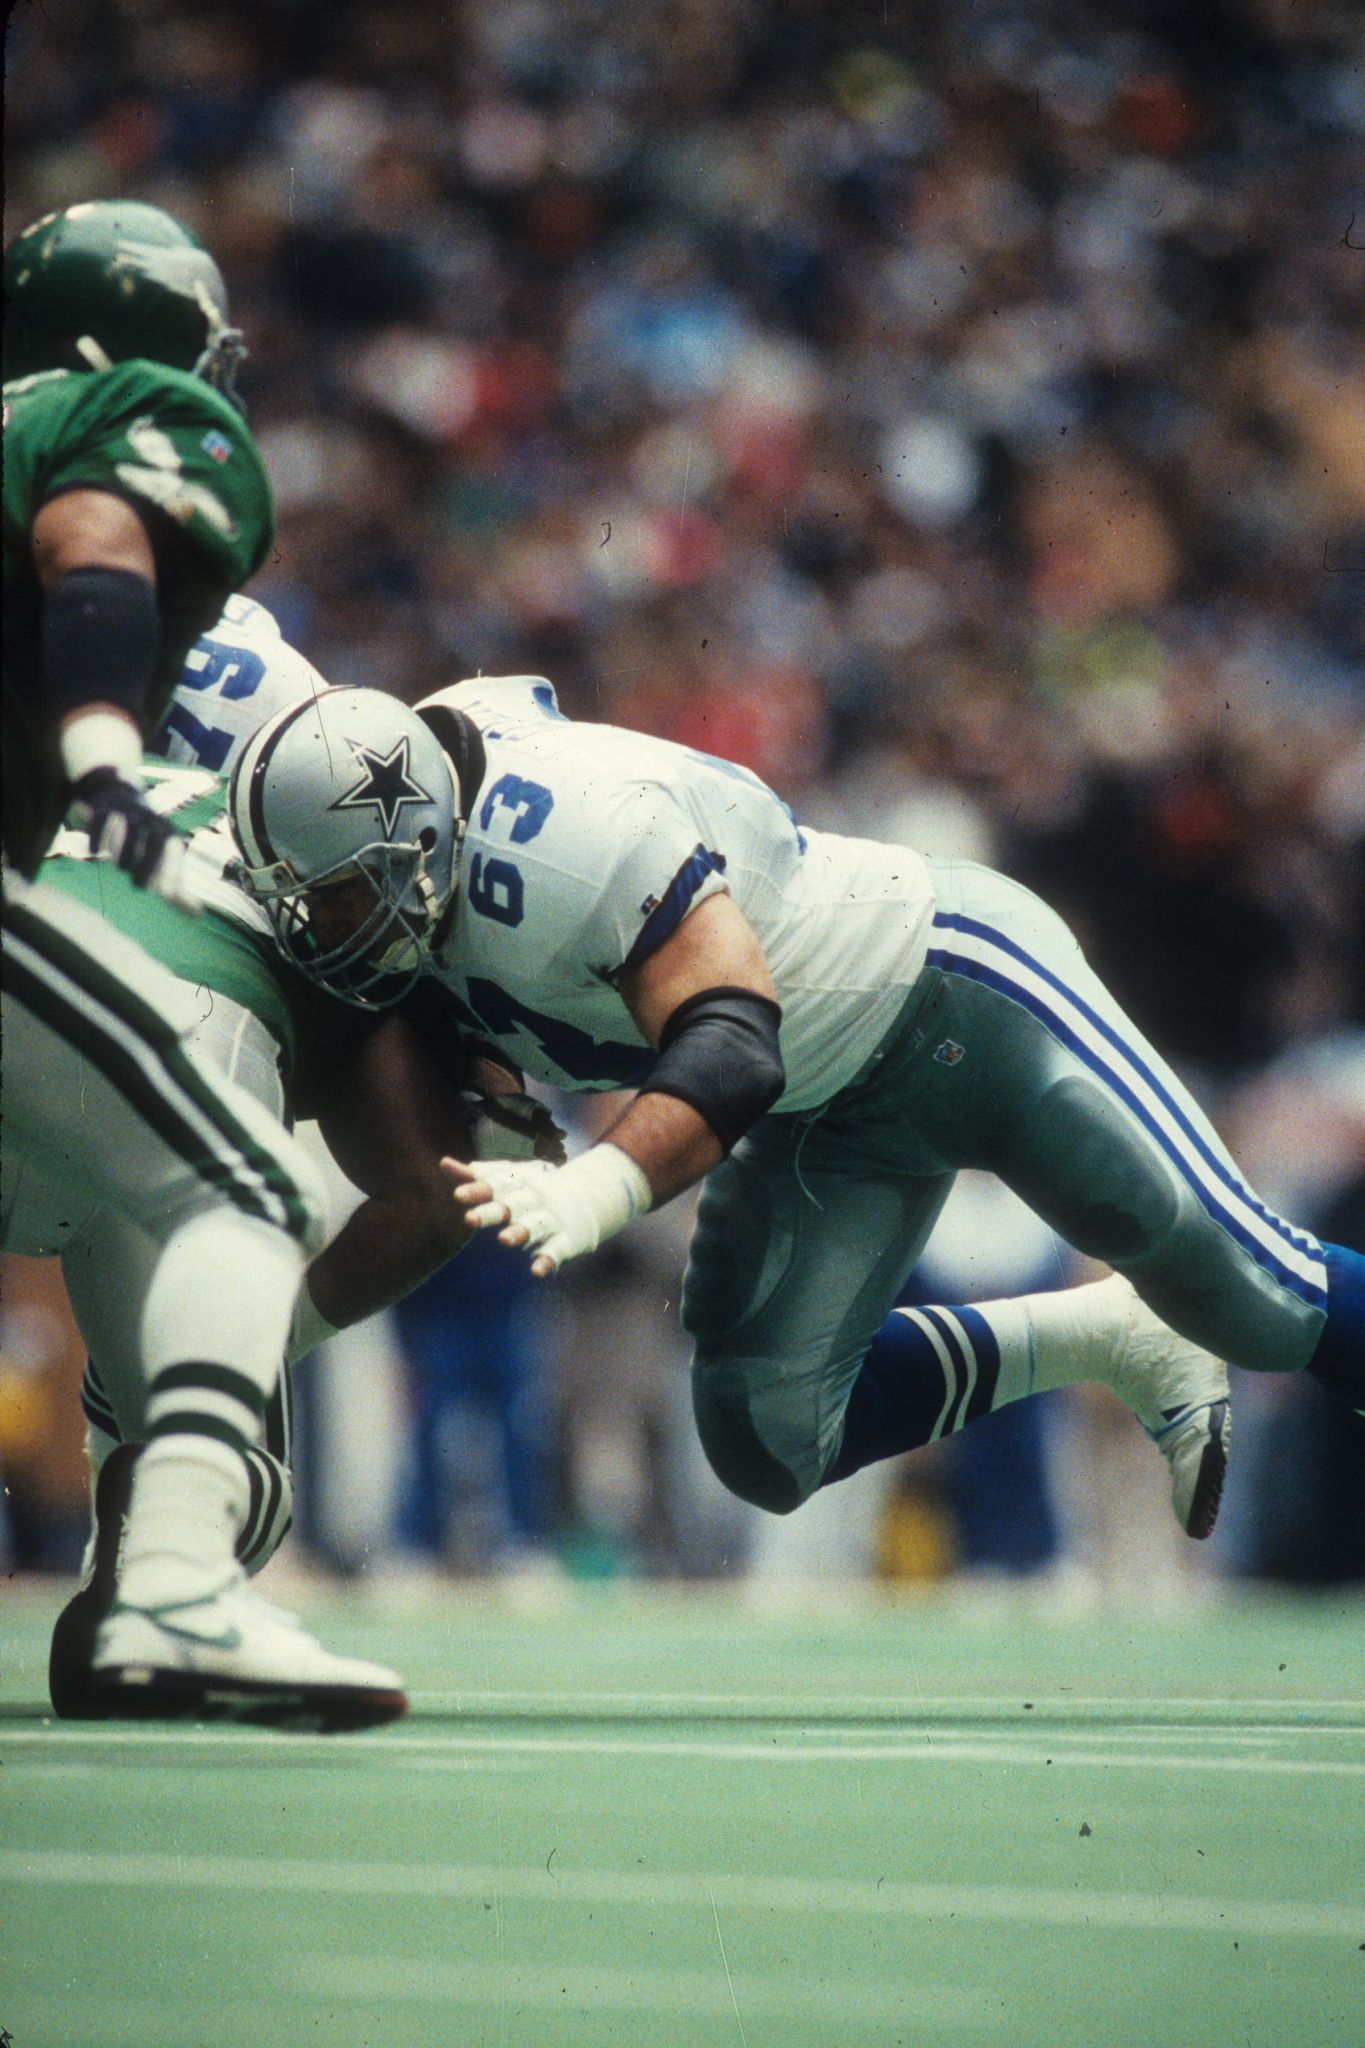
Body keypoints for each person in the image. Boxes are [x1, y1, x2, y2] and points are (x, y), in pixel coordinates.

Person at [223, 675, 1365, 1539]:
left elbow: (732, 1039)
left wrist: (598, 1180)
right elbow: (438, 1168)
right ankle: (1111, 1333)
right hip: (827, 1105)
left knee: (1259, 1298)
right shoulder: (421, 813)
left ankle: (1189, 1312)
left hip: (950, 994)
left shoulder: (562, 841)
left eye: (333, 896)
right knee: (770, 1437)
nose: (318, 928)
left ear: (418, 843)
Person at [1, 200, 405, 1727]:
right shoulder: (122, 428)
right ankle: (170, 1583)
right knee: (239, 1191)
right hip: (81, 929)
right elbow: (94, 539)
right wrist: (106, 752)